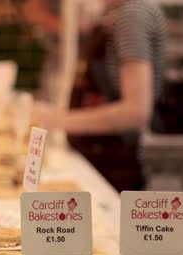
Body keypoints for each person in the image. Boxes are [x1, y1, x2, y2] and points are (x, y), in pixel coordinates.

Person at [31, 0, 167, 192]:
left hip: (118, 159)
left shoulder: (133, 15)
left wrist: (58, 120)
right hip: (103, 155)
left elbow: (136, 112)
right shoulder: (115, 14)